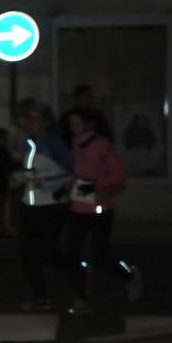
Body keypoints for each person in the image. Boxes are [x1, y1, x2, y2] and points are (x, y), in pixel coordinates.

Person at [63, 108, 143, 315]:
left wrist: (93, 186)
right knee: (72, 253)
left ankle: (129, 275)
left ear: (88, 124)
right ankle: (81, 297)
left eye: (77, 123)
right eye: (71, 124)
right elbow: (74, 175)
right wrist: (67, 187)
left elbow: (118, 176)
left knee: (100, 255)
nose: (73, 128)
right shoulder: (72, 145)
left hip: (100, 207)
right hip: (77, 207)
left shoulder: (101, 145)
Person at [12, 99, 73, 311]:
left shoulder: (54, 143)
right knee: (26, 253)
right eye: (27, 118)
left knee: (49, 252)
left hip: (52, 205)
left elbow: (72, 172)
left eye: (35, 118)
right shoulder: (27, 142)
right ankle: (40, 297)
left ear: (46, 121)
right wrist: (19, 178)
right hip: (29, 204)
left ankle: (78, 270)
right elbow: (30, 171)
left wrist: (44, 181)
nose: (30, 122)